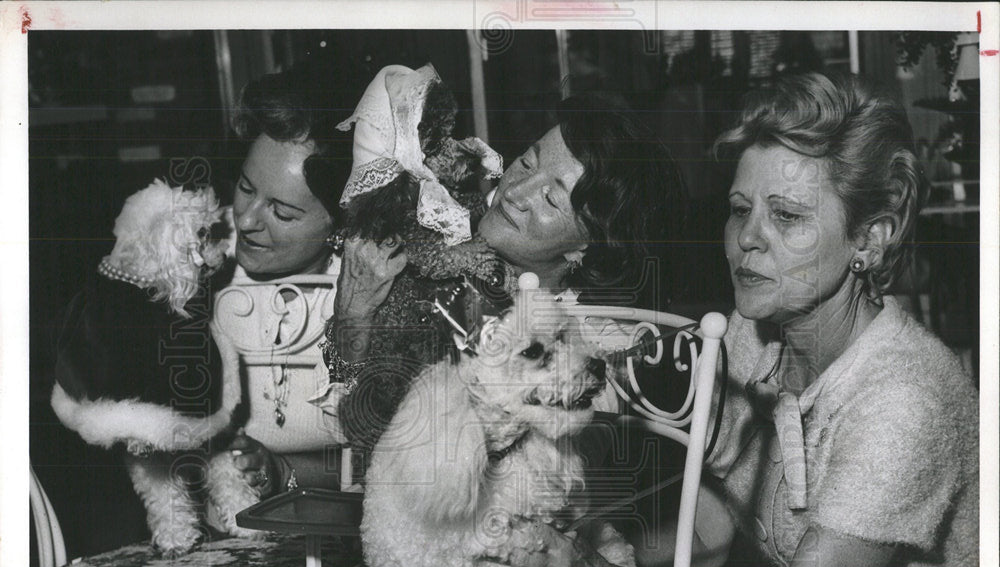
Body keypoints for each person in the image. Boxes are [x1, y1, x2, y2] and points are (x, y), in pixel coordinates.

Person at [480, 72, 980, 567]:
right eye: (740, 208)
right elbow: (627, 361)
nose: (748, 240)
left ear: (868, 239)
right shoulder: (751, 335)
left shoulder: (905, 397)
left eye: (789, 217)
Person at [326, 91, 688, 456]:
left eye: (550, 199)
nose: (515, 191)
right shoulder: (433, 251)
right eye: (528, 163)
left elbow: (461, 458)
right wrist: (353, 314)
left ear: (588, 248)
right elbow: (344, 429)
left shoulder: (594, 346)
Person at [211, 63, 406, 495]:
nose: (245, 219)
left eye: (281, 212)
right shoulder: (203, 255)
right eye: (245, 187)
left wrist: (282, 473)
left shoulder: (373, 290)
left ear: (341, 225)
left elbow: (383, 462)